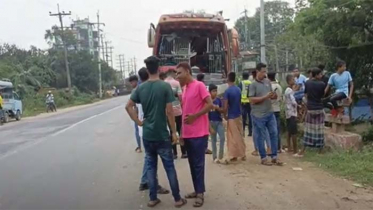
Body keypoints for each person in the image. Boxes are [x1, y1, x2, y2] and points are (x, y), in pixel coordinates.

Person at [126, 56, 187, 208]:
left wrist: (139, 122)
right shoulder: (165, 87)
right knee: (169, 167)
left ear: (147, 70)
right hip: (162, 134)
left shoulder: (141, 88)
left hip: (148, 135)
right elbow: (170, 112)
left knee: (151, 167)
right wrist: (174, 132)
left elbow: (128, 106)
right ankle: (177, 199)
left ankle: (153, 198)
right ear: (159, 68)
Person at [176, 62, 213, 208]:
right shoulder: (185, 89)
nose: (177, 76)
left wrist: (195, 116)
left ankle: (200, 193)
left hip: (199, 133)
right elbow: (185, 113)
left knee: (198, 164)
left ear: (187, 71)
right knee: (192, 164)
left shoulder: (199, 86)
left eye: (179, 73)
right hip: (188, 134)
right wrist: (181, 134)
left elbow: (210, 104)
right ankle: (197, 189)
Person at [137, 67, 170, 194]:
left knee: (149, 158)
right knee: (152, 161)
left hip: (144, 129)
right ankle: (151, 184)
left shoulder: (140, 90)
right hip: (152, 129)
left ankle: (145, 181)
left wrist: (138, 122)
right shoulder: (148, 90)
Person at [249, 63, 284, 166]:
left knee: (274, 133)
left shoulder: (268, 82)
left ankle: (274, 156)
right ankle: (263, 157)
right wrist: (265, 97)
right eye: (263, 71)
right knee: (260, 136)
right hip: (258, 115)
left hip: (269, 112)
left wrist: (273, 96)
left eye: (265, 71)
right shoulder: (253, 85)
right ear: (257, 71)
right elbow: (251, 100)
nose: (265, 74)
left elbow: (271, 96)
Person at [296, 68, 327, 157]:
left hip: (310, 109)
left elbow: (305, 95)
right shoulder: (322, 84)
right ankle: (320, 151)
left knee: (308, 130)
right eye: (320, 74)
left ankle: (302, 151)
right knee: (320, 130)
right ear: (316, 75)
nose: (321, 76)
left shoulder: (307, 83)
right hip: (319, 108)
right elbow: (322, 95)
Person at [165, 69, 187, 159]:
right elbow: (181, 97)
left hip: (168, 112)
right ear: (173, 74)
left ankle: (174, 153)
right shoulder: (176, 83)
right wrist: (180, 105)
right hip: (178, 111)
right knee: (180, 131)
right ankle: (183, 152)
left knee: (171, 132)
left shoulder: (163, 83)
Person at [224, 72, 246, 162]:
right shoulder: (238, 89)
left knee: (232, 136)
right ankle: (243, 153)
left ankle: (234, 155)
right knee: (240, 134)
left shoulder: (227, 91)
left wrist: (224, 115)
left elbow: (225, 106)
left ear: (228, 79)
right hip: (239, 114)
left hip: (232, 116)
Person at [208, 84, 226, 163]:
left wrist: (218, 108)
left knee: (222, 138)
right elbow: (206, 115)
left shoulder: (218, 100)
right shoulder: (208, 101)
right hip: (211, 122)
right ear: (210, 92)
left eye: (216, 91)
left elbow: (223, 110)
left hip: (219, 121)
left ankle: (220, 156)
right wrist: (209, 127)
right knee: (213, 140)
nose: (215, 92)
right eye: (213, 91)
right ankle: (214, 157)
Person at [268, 72, 283, 153]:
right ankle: (278, 147)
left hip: (270, 110)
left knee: (271, 131)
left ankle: (272, 147)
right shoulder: (279, 86)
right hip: (277, 109)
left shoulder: (269, 87)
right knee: (277, 129)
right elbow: (280, 98)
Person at [284, 74, 298, 154]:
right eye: (293, 79)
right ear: (289, 81)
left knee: (289, 130)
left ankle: (289, 147)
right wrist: (297, 105)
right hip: (292, 112)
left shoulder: (286, 90)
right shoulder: (290, 91)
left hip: (288, 112)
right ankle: (295, 150)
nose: (294, 81)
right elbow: (293, 101)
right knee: (294, 132)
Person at [129, 75, 142, 153]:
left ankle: (139, 147)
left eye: (131, 82)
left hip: (138, 112)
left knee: (137, 130)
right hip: (143, 112)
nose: (131, 84)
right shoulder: (144, 87)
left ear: (135, 81)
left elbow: (132, 105)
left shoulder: (135, 91)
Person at [238, 71, 253, 137]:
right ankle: (250, 132)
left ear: (242, 76)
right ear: (248, 76)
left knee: (243, 118)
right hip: (250, 102)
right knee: (250, 117)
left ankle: (243, 131)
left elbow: (239, 92)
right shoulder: (251, 83)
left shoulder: (241, 83)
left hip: (243, 102)